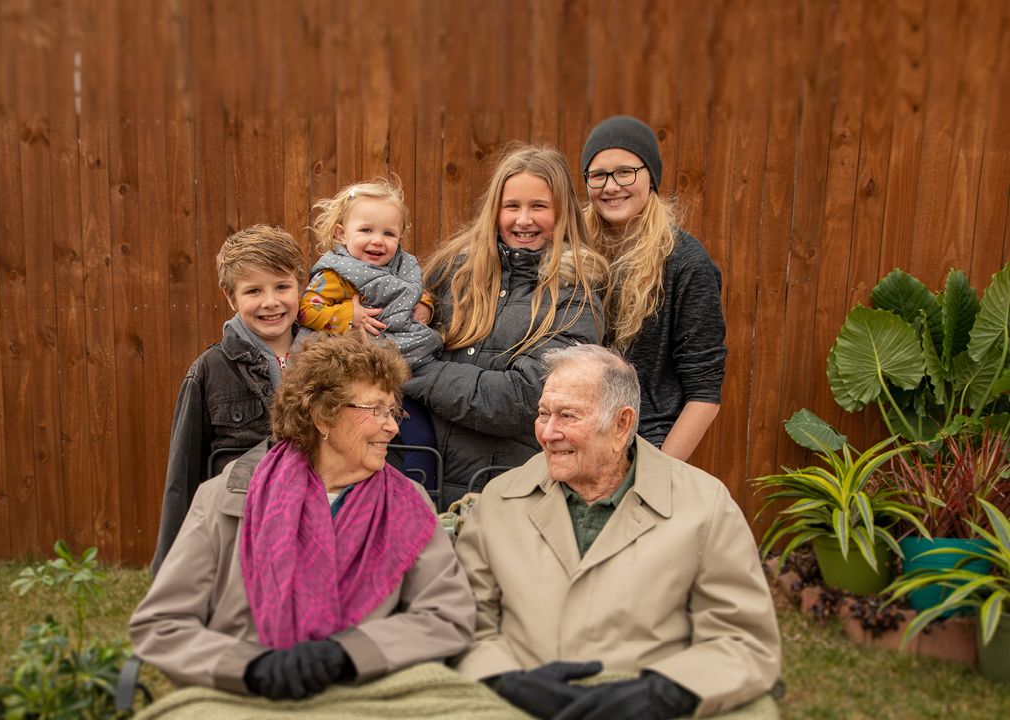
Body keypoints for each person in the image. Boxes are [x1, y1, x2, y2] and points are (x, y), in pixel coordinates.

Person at [130, 332, 475, 698]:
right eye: (376, 410)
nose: (392, 426)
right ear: (322, 417)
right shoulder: (229, 497)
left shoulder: (408, 504)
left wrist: (347, 653)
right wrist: (249, 667)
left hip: (365, 696)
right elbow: (163, 625)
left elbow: (446, 616)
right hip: (243, 698)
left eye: (392, 411)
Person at [455, 344, 781, 719]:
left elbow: (744, 639)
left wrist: (663, 694)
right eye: (543, 413)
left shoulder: (703, 505)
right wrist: (504, 680)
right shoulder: (501, 500)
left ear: (621, 425)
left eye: (567, 416)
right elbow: (464, 621)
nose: (547, 432)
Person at [406, 144, 607, 504]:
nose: (523, 220)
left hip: (505, 493)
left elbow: (521, 400)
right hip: (419, 479)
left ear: (562, 212)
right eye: (512, 206)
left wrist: (413, 370)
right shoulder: (453, 271)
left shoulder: (574, 298)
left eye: (539, 207)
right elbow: (395, 334)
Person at [151, 224, 305, 576]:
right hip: (240, 535)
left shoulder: (328, 358)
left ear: (300, 286)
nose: (271, 302)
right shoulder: (210, 371)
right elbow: (183, 475)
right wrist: (171, 573)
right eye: (253, 291)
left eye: (282, 286)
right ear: (231, 298)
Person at [582, 116, 727, 461]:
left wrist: (660, 472)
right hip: (569, 439)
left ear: (652, 178)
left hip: (642, 446)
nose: (611, 186)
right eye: (598, 175)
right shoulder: (571, 249)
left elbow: (704, 391)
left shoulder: (686, 263)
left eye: (625, 172)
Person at [298, 179, 442, 491]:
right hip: (358, 379)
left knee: (421, 441)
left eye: (388, 233)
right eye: (366, 230)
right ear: (341, 233)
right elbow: (307, 310)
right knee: (360, 443)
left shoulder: (403, 270)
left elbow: (419, 294)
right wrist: (350, 316)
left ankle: (422, 499)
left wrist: (426, 308)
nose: (377, 241)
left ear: (400, 238)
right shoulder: (337, 275)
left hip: (408, 369)